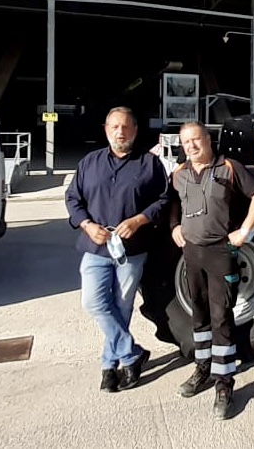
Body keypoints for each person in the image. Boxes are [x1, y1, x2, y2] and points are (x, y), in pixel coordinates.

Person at [168, 121, 254, 420]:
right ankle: (203, 370)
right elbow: (172, 202)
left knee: (220, 317)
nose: (191, 147)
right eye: (186, 143)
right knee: (198, 315)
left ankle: (224, 384)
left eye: (195, 140)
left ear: (208, 139)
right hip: (191, 254)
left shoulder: (229, 168)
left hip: (220, 253)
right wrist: (174, 226)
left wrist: (245, 230)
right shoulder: (179, 173)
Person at [65, 106, 169, 393]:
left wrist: (138, 220)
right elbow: (73, 199)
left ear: (135, 131)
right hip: (95, 248)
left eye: (125, 127)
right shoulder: (90, 163)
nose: (120, 132)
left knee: (122, 307)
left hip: (131, 249)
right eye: (114, 127)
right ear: (105, 129)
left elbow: (163, 200)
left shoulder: (150, 164)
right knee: (93, 303)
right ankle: (132, 353)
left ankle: (109, 366)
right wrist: (86, 224)